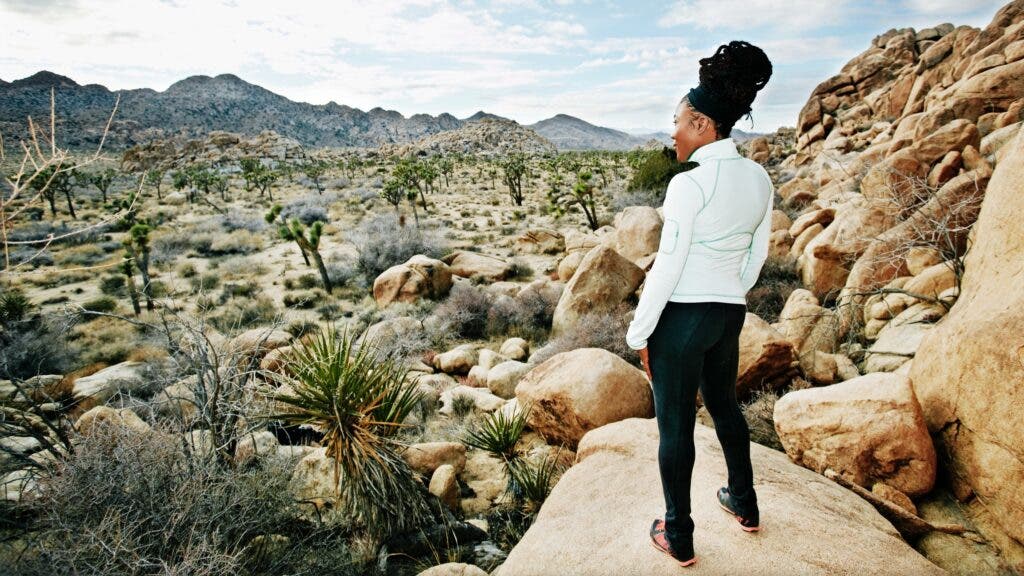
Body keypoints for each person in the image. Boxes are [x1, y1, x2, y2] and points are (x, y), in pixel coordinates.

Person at [624, 40, 774, 567]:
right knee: (725, 406)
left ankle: (678, 533)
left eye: (679, 121)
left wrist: (639, 334)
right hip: (727, 313)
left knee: (675, 426)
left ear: (704, 124)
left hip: (683, 317)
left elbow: (667, 268)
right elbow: (758, 252)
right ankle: (744, 502)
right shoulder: (758, 178)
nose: (673, 130)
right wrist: (729, 290)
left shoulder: (691, 185)